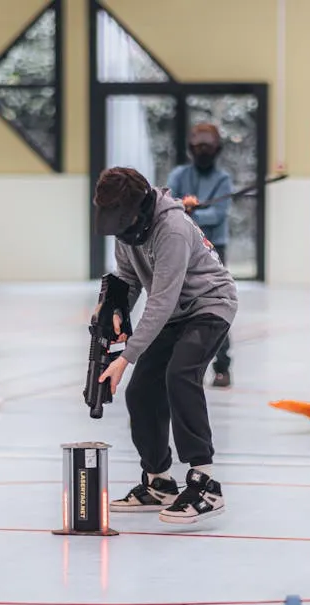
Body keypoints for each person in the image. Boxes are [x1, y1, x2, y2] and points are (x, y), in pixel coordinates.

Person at [92, 165, 238, 524]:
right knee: (141, 392)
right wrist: (115, 308)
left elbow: (162, 301)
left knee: (180, 375)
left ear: (140, 208)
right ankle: (159, 482)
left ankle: (205, 483)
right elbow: (128, 277)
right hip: (175, 313)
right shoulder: (125, 228)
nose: (122, 234)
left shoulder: (171, 229)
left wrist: (126, 357)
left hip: (209, 305)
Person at [166, 123, 234, 388]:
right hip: (183, 248)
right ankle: (174, 361)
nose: (203, 151)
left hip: (213, 248)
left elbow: (217, 216)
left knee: (217, 305)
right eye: (199, 146)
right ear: (191, 149)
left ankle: (222, 366)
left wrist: (191, 213)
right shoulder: (179, 175)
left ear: (217, 150)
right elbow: (169, 205)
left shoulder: (223, 179)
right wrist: (183, 208)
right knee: (176, 303)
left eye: (208, 147)